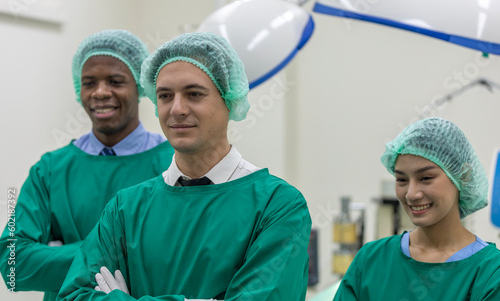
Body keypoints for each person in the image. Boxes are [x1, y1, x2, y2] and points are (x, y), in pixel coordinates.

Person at [57, 32, 312, 301]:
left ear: (229, 98)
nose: (176, 109)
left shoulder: (278, 205)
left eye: (193, 94)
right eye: (165, 96)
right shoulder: (126, 208)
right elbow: (73, 296)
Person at [0, 30, 175, 301]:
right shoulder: (50, 170)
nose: (101, 92)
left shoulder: (173, 163)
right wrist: (124, 253)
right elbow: (13, 265)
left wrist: (60, 254)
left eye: (115, 81)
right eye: (89, 82)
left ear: (139, 86)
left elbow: (173, 261)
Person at [333, 117, 500, 300]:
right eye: (401, 180)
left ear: (463, 176)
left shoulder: (490, 273)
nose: (411, 194)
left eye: (426, 178)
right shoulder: (371, 260)